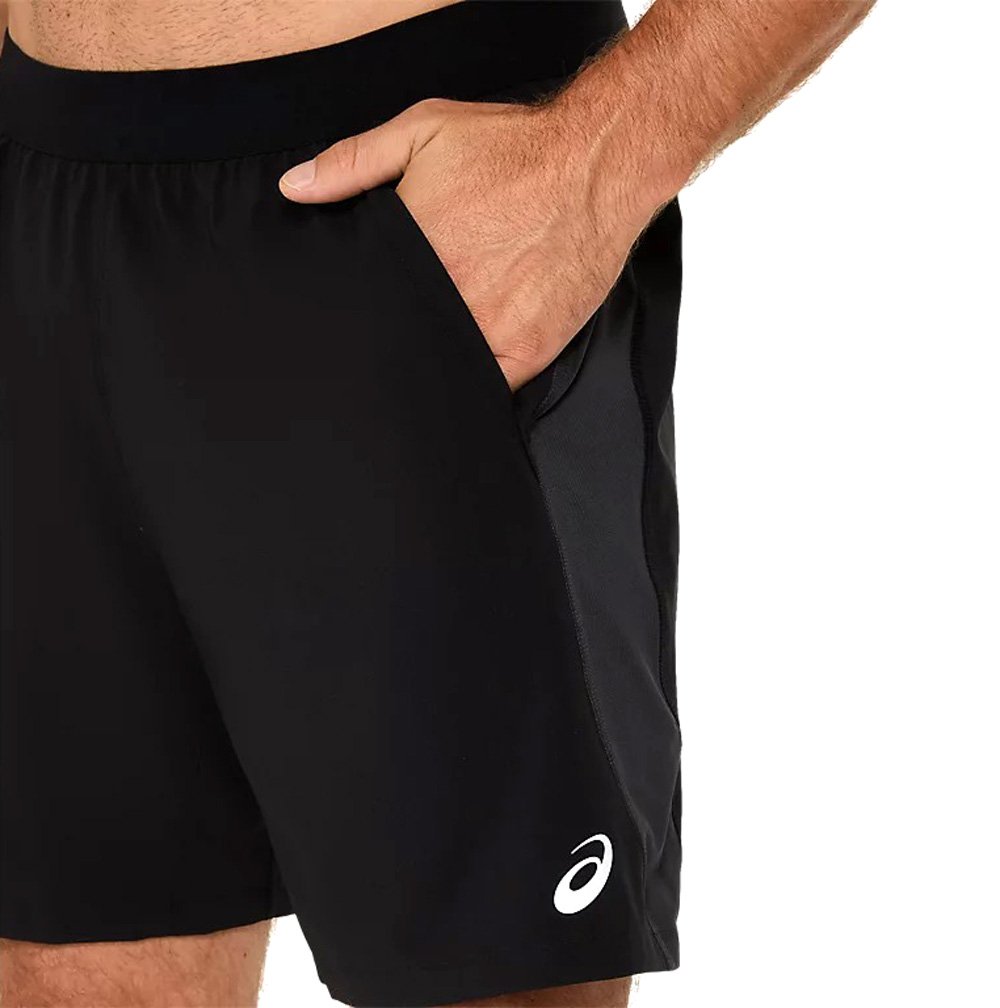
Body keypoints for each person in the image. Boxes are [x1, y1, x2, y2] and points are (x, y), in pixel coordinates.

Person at [0, 1, 874, 1005]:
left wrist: (586, 169)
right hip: (37, 198)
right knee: (70, 968)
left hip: (402, 183)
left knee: (484, 976)